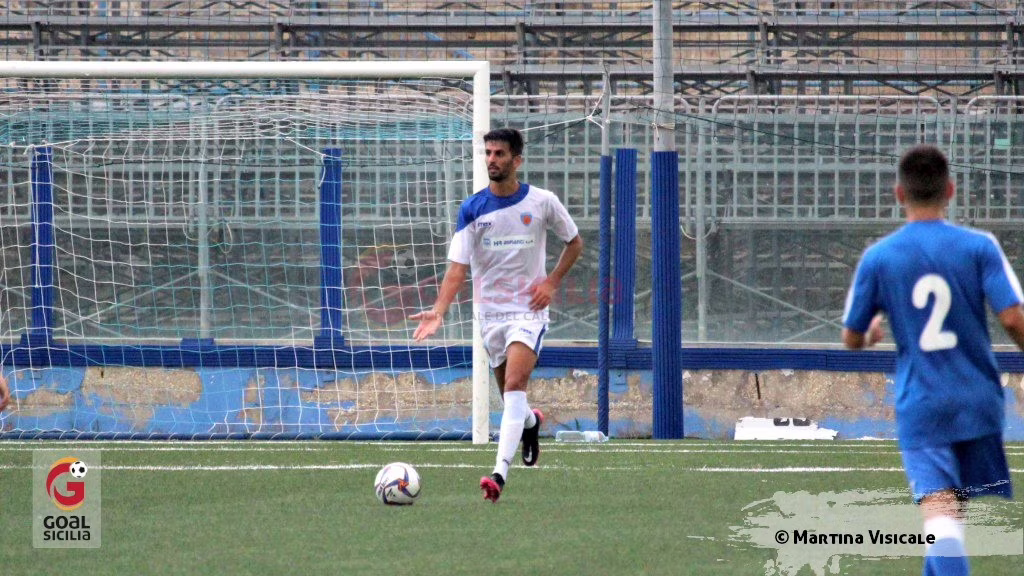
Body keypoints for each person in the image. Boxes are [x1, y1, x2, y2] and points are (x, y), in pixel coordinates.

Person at [842, 144, 1023, 576]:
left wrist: (870, 335)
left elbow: (851, 336)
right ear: (951, 190)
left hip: (924, 404)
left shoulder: (880, 257)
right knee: (950, 517)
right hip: (978, 401)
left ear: (899, 194)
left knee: (941, 517)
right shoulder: (979, 247)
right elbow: (1013, 317)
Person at [411, 127, 583, 503]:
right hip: (489, 316)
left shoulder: (542, 201)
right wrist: (438, 311)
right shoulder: (472, 209)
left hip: (528, 311)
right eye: (488, 153)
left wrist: (551, 282)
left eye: (499, 153)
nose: (492, 159)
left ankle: (498, 475)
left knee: (515, 385)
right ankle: (531, 423)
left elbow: (574, 242)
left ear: (516, 160)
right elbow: (457, 268)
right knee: (512, 399)